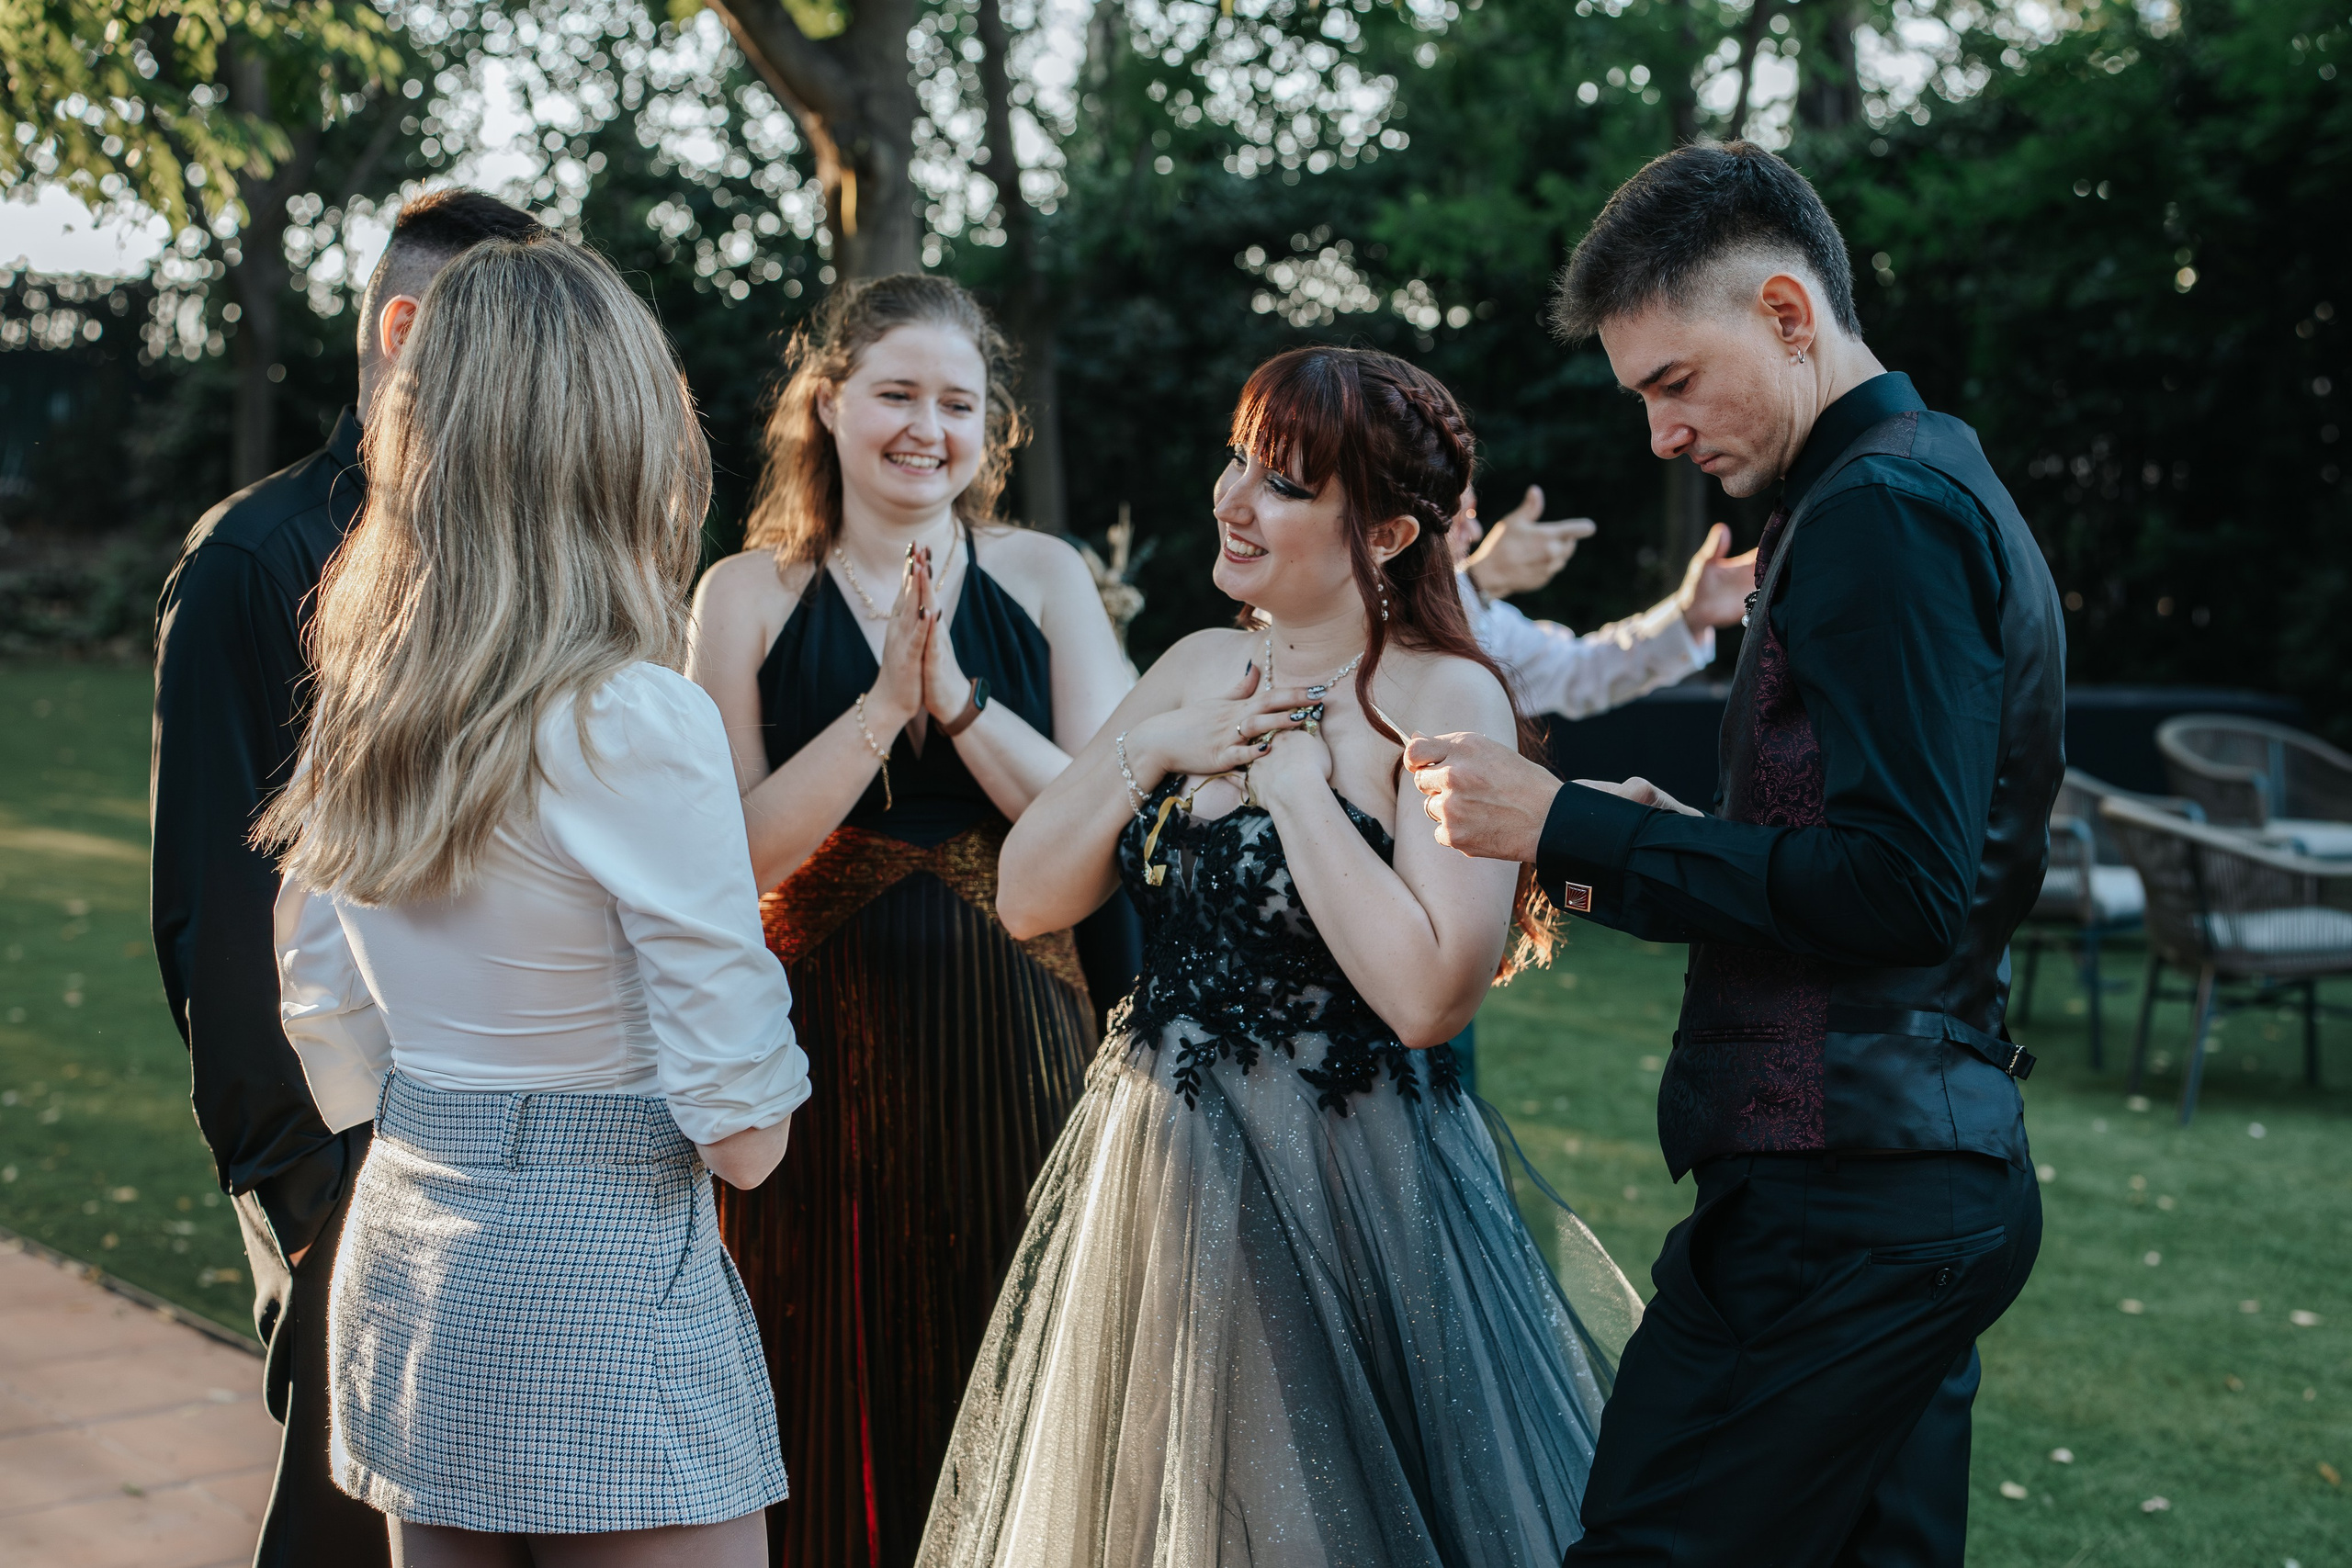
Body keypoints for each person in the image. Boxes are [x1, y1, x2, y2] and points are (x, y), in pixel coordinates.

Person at [1407, 141, 2061, 1568]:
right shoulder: (1909, 480)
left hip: (1850, 1195)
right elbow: (1880, 851)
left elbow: (1900, 889)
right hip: (1899, 1173)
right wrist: (1673, 838)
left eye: (1671, 382)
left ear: (1784, 310)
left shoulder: (1879, 512)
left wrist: (1567, 822)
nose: (1658, 433)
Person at [915, 345, 1634, 1568]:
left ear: (1391, 529)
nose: (1231, 497)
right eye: (1239, 458)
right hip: (1162, 1177)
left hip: (1348, 1190)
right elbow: (1034, 893)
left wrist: (1299, 790)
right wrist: (1154, 751)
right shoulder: (1199, 664)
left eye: (1285, 481)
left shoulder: (1445, 693)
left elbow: (1427, 992)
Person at [262, 237, 808, 1565]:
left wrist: (459, 1104)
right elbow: (745, 1131)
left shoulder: (363, 700)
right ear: (618, 442)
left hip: (408, 1247)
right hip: (605, 1268)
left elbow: (323, 1003)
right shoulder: (636, 717)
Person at [685, 274, 1127, 1568]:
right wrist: (883, 706)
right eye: (896, 393)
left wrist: (962, 700)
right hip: (809, 1059)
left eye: (958, 401)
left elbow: (1106, 817)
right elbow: (733, 852)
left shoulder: (1044, 577)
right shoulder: (746, 595)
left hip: (1026, 1038)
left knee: (1013, 1333)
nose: (925, 427)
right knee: (815, 1352)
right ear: (828, 404)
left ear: (989, 428)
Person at [149, 186, 545, 1568]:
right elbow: (213, 905)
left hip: (508, 1157)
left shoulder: (515, 557)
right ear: (408, 328)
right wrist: (307, 1195)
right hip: (343, 1155)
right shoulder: (255, 560)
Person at [1453, 481, 1755, 722]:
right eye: (1460, 514)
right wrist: (1477, 581)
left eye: (1472, 513)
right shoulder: (1455, 605)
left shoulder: (1487, 618)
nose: (1475, 531)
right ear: (1406, 530)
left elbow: (1581, 669)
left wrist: (1688, 615)